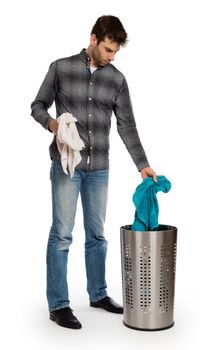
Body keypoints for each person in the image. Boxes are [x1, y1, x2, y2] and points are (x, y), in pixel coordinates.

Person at [30, 15, 157, 330]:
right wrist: (54, 124)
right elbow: (38, 105)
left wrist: (142, 164)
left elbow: (127, 125)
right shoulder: (60, 68)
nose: (112, 57)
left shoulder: (116, 80)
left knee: (97, 235)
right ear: (93, 38)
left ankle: (98, 294)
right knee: (61, 234)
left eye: (116, 52)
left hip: (100, 167)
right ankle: (58, 305)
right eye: (108, 49)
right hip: (66, 165)